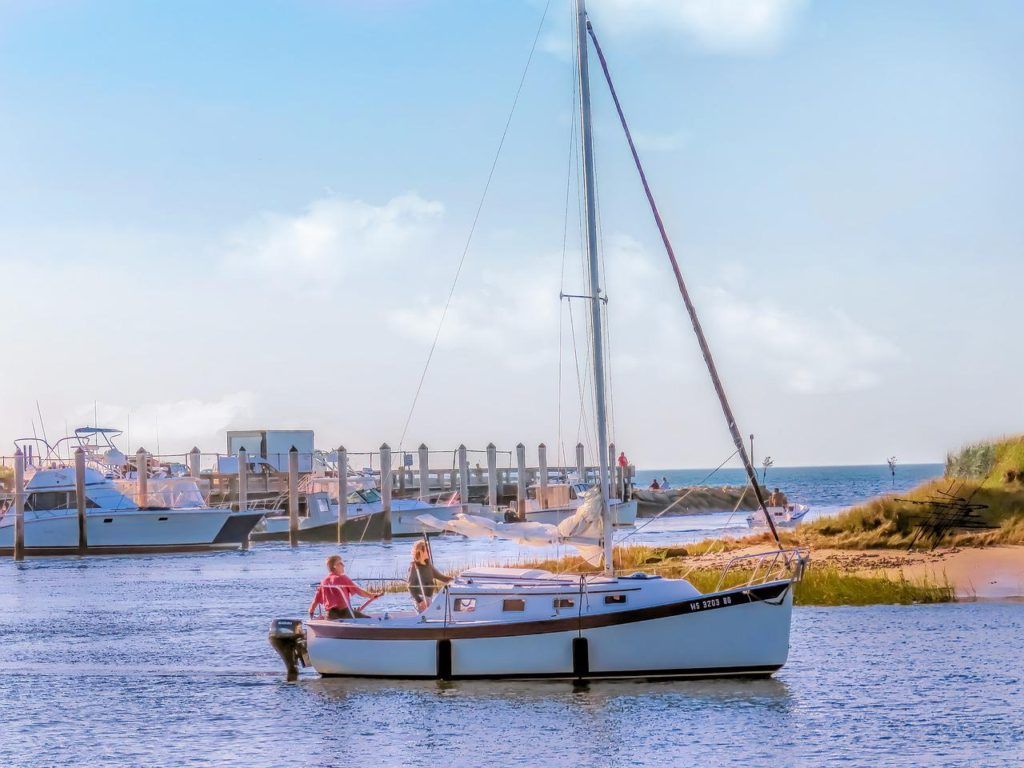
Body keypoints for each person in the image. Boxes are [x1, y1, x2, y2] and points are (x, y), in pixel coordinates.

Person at [308, 554, 381, 620]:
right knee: (369, 619)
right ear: (335, 566)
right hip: (345, 614)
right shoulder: (342, 578)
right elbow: (359, 591)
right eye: (341, 563)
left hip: (330, 616)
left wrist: (311, 612)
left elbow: (315, 601)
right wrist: (371, 595)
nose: (343, 565)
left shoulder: (323, 581)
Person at [408, 540, 451, 612]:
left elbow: (442, 578)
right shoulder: (414, 566)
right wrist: (420, 601)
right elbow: (410, 586)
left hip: (429, 598)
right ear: (420, 552)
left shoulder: (428, 565)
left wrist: (456, 579)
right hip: (421, 600)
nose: (429, 551)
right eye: (427, 549)